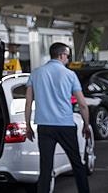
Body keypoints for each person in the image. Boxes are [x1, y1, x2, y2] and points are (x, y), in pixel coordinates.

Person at [25, 42, 90, 193]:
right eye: (67, 56)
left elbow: (28, 103)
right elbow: (83, 104)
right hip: (66, 125)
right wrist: (86, 125)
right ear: (61, 55)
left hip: (44, 126)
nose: (67, 59)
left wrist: (28, 126)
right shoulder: (70, 74)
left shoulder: (36, 73)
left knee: (46, 167)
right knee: (77, 164)